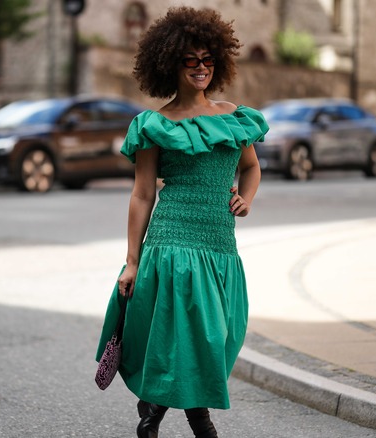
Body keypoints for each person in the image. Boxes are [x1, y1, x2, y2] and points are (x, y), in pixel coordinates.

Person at [95, 6, 269, 438]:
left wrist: (245, 199)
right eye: (191, 59)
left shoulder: (233, 116)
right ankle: (191, 422)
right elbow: (142, 193)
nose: (201, 67)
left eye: (208, 59)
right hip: (172, 239)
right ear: (171, 64)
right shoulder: (154, 124)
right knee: (195, 336)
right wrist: (132, 261)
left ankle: (154, 408)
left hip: (219, 246)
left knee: (219, 335)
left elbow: (251, 168)